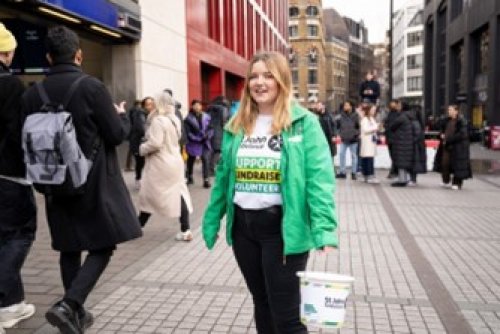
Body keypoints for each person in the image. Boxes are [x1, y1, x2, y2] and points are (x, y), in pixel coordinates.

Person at [202, 51, 338, 333]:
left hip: (283, 231)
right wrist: (212, 219)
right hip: (244, 229)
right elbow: (224, 178)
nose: (259, 82)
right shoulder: (237, 125)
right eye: (253, 76)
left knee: (287, 317)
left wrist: (325, 228)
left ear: (282, 81)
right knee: (261, 303)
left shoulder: (304, 123)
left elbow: (319, 181)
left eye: (268, 75)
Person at [21, 26, 142, 334]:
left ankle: (73, 316)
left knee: (69, 248)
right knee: (103, 245)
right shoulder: (92, 87)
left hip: (53, 183)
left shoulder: (33, 93)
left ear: (48, 57)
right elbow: (116, 134)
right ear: (79, 54)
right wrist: (122, 115)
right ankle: (69, 304)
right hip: (93, 182)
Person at [0, 22, 37, 332]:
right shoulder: (10, 86)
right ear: (5, 52)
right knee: (19, 234)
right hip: (8, 176)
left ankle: (12, 303)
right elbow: (18, 135)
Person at [137, 91, 194, 241]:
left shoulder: (158, 121)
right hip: (175, 161)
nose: (153, 104)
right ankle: (186, 229)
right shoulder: (174, 119)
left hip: (160, 163)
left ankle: (138, 225)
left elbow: (155, 143)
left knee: (149, 194)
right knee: (179, 193)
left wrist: (142, 148)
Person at [433, 105, 472, 190]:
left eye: (451, 110)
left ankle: (457, 183)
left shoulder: (462, 121)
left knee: (458, 165)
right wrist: (441, 135)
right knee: (444, 163)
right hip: (446, 146)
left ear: (456, 111)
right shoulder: (446, 121)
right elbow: (440, 130)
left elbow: (462, 134)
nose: (449, 112)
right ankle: (446, 180)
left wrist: (449, 139)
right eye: (448, 110)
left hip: (458, 147)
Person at [185, 99, 213, 188]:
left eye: (199, 105)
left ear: (201, 106)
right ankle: (189, 176)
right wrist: (197, 139)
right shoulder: (188, 119)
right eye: (195, 105)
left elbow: (211, 128)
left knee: (205, 159)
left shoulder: (207, 116)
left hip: (205, 142)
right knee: (191, 160)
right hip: (194, 143)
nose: (197, 107)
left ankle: (206, 180)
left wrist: (207, 136)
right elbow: (188, 132)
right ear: (192, 106)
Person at [390, 102, 414, 187]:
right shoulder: (409, 116)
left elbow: (392, 126)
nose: (397, 107)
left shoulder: (401, 117)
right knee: (403, 162)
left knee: (401, 162)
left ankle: (402, 180)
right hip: (406, 142)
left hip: (401, 142)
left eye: (399, 106)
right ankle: (404, 178)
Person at [128, 98, 151, 190]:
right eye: (148, 104)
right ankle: (138, 179)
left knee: (143, 162)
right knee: (140, 162)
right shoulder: (140, 113)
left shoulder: (148, 114)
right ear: (143, 105)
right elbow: (141, 128)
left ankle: (141, 179)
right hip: (138, 142)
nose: (150, 106)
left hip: (142, 142)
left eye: (152, 104)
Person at [206, 96, 230, 176]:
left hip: (209, 132)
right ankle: (211, 169)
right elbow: (225, 122)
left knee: (210, 151)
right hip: (219, 132)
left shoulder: (209, 109)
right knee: (217, 151)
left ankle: (208, 168)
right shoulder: (224, 109)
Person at [336, 100, 360, 179]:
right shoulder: (341, 116)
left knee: (354, 157)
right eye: (344, 105)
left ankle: (353, 173)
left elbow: (359, 126)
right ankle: (342, 172)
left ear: (351, 106)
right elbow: (337, 126)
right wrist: (339, 134)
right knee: (342, 155)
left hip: (353, 140)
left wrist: (356, 134)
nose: (345, 107)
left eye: (347, 105)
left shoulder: (356, 115)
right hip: (344, 139)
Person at [359, 104, 380, 183]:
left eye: (374, 110)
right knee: (367, 159)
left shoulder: (371, 119)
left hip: (371, 142)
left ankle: (370, 175)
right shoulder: (364, 119)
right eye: (372, 110)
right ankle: (368, 175)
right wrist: (375, 127)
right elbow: (365, 129)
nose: (374, 111)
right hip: (367, 142)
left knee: (370, 158)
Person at [408, 107, 427, 186]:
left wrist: (410, 141)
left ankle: (413, 179)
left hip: (415, 147)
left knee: (413, 163)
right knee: (415, 163)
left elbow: (416, 135)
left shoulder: (414, 123)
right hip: (418, 146)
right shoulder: (419, 123)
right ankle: (413, 179)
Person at [384, 99, 400, 178]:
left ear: (397, 105)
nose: (392, 105)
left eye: (393, 104)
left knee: (395, 156)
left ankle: (394, 172)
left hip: (395, 139)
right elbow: (387, 124)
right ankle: (394, 171)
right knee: (392, 155)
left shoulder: (399, 114)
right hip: (389, 138)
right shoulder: (389, 114)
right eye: (391, 104)